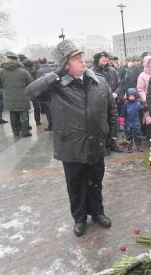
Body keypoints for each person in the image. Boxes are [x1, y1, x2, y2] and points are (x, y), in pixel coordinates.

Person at [25, 40, 117, 237]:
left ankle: (98, 213)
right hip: (71, 146)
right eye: (76, 59)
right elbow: (30, 92)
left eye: (82, 57)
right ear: (65, 65)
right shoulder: (56, 86)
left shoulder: (99, 81)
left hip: (95, 144)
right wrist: (56, 73)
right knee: (75, 185)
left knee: (95, 181)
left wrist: (112, 135)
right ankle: (80, 219)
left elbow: (111, 110)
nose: (83, 61)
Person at [92, 51, 124, 155]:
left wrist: (116, 93)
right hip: (99, 103)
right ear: (97, 60)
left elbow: (120, 85)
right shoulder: (91, 72)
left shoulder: (113, 71)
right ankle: (104, 146)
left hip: (112, 101)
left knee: (113, 122)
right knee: (102, 124)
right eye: (102, 58)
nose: (104, 59)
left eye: (106, 57)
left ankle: (113, 143)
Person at [0, 52, 33, 137]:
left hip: (8, 97)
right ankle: (25, 132)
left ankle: (15, 132)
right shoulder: (23, 71)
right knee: (24, 116)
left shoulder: (0, 72)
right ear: (17, 61)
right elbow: (31, 83)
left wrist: (6, 88)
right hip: (22, 97)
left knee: (13, 116)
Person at [137, 55, 151, 140]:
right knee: (149, 120)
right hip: (147, 101)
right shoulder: (142, 75)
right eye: (149, 62)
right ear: (145, 64)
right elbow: (140, 89)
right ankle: (150, 138)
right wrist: (146, 99)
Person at [119, 88, 143, 153]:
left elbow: (141, 111)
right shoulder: (125, 104)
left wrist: (143, 119)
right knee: (128, 134)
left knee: (137, 134)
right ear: (127, 96)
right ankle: (129, 147)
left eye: (133, 96)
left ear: (135, 96)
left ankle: (139, 146)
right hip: (128, 122)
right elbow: (122, 113)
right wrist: (121, 122)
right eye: (130, 96)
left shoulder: (138, 103)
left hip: (136, 121)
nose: (131, 97)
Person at [35, 57, 55, 131]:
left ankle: (51, 125)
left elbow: (38, 83)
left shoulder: (39, 71)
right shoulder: (53, 69)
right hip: (53, 91)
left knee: (47, 109)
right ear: (46, 61)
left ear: (39, 63)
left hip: (45, 92)